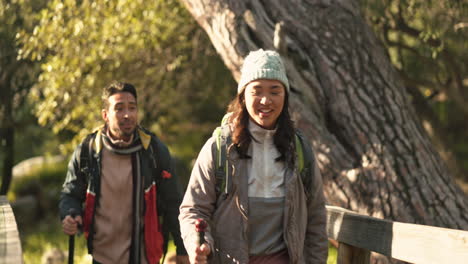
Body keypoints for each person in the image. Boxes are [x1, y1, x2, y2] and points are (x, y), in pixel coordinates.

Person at [179, 49, 328, 264]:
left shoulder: (299, 150)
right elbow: (193, 209)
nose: (265, 100)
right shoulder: (220, 148)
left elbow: (315, 219)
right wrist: (197, 244)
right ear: (243, 96)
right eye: (257, 91)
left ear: (285, 96)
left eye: (275, 91)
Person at [59, 81, 189, 264]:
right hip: (102, 257)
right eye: (119, 109)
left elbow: (173, 202)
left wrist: (183, 249)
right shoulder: (88, 151)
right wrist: (70, 213)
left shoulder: (154, 150)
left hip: (144, 257)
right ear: (105, 115)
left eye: (132, 108)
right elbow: (70, 194)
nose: (127, 115)